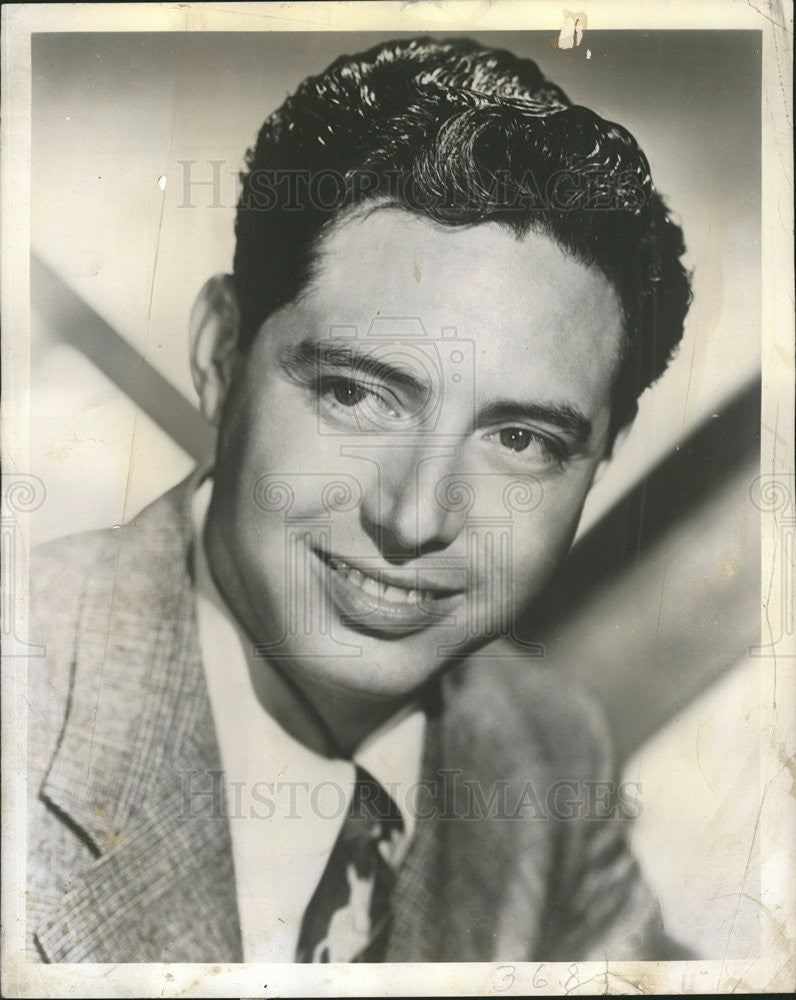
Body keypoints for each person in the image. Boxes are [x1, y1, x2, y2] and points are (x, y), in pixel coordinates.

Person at [27, 36, 692, 963]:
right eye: (354, 392)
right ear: (222, 355)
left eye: (521, 440)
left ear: (601, 461)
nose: (414, 518)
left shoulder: (545, 754)